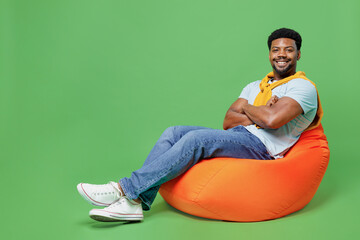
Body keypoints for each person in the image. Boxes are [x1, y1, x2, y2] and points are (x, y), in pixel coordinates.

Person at [77, 28, 322, 222]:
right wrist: (259, 108)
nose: (281, 54)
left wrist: (251, 109)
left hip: (264, 148)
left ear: (298, 55)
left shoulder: (303, 87)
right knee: (173, 132)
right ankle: (135, 204)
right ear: (269, 54)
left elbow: (272, 121)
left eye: (288, 50)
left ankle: (124, 189)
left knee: (197, 140)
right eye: (275, 50)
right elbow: (228, 121)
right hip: (240, 135)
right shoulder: (255, 86)